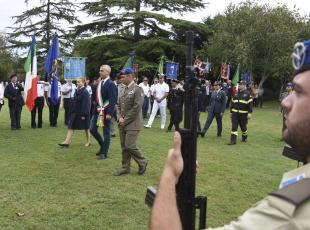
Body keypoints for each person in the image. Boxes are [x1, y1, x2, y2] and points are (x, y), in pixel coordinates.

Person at [150, 40, 310, 230]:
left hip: (240, 116)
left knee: (238, 128)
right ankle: (234, 138)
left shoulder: (293, 214)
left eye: (299, 92)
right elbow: (233, 102)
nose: (285, 102)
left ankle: (241, 136)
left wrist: (169, 176)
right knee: (230, 128)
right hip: (233, 114)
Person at [114, 68, 148, 176]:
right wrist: (119, 117)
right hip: (122, 122)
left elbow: (137, 107)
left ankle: (142, 161)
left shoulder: (138, 89)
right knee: (124, 146)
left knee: (130, 145)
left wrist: (125, 119)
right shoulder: (123, 89)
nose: (121, 78)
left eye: (123, 76)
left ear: (130, 76)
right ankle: (125, 167)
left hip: (133, 123)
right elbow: (118, 105)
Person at [90, 65, 117, 160]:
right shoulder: (100, 83)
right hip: (97, 111)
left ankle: (104, 153)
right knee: (92, 129)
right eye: (100, 70)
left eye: (102, 71)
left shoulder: (111, 84)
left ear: (107, 72)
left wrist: (109, 113)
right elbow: (96, 97)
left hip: (106, 112)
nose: (100, 72)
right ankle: (102, 146)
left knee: (106, 133)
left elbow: (113, 100)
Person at [59, 77, 91, 148]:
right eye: (77, 82)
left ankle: (88, 142)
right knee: (71, 126)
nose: (78, 83)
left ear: (83, 82)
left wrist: (84, 115)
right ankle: (66, 142)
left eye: (79, 82)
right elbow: (74, 101)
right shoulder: (77, 90)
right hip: (75, 112)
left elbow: (86, 104)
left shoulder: (85, 92)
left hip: (83, 113)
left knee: (86, 127)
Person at [228, 80, 252, 145]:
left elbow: (250, 104)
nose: (240, 85)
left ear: (244, 86)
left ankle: (244, 137)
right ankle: (233, 141)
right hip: (235, 114)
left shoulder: (248, 94)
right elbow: (232, 103)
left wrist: (249, 113)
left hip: (243, 114)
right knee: (234, 126)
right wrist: (231, 112)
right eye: (240, 84)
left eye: (241, 84)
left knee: (243, 127)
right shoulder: (236, 93)